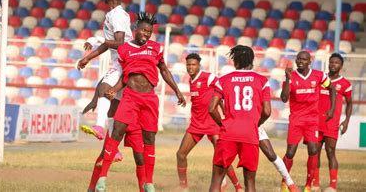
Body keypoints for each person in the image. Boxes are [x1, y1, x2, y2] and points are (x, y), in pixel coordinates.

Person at [95, 12, 186, 192]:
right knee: (117, 132)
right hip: (130, 97)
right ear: (136, 29)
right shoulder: (124, 49)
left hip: (149, 99)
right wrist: (114, 89)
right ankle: (102, 178)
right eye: (143, 30)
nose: (146, 34)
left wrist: (177, 90)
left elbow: (164, 70)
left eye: (149, 32)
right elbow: (123, 76)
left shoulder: (155, 48)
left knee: (149, 138)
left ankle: (148, 182)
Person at [176, 53, 244, 192]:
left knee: (223, 157)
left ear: (199, 65)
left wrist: (227, 115)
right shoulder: (191, 80)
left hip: (213, 124)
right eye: (188, 64)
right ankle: (183, 186)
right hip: (196, 124)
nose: (190, 67)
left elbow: (222, 93)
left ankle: (238, 186)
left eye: (193, 64)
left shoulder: (209, 77)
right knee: (180, 154)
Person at [208, 45, 271, 192]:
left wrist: (222, 123)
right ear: (252, 61)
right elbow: (267, 111)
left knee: (216, 180)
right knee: (250, 182)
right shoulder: (262, 80)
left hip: (228, 133)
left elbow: (211, 108)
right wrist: (256, 124)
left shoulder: (223, 80)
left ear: (235, 61)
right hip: (250, 134)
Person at [77, 0, 133, 141]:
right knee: (112, 108)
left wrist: (91, 54)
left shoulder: (117, 15)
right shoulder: (114, 14)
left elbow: (120, 42)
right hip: (122, 61)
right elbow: (111, 42)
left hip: (124, 61)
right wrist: (90, 54)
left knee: (104, 89)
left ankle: (99, 127)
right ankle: (113, 148)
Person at [280, 51, 336, 192]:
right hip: (296, 120)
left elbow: (332, 89)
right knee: (290, 152)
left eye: (304, 59)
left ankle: (308, 185)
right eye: (298, 59)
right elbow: (284, 98)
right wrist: (287, 79)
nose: (300, 61)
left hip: (312, 120)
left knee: (313, 150)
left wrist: (332, 109)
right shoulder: (291, 76)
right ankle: (284, 182)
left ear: (309, 62)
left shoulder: (319, 75)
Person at [312, 53, 353, 192]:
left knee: (330, 152)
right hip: (317, 122)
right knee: (315, 152)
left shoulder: (345, 84)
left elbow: (349, 104)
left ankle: (332, 186)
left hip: (331, 123)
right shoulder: (321, 79)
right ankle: (315, 184)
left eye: (336, 63)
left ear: (341, 66)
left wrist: (346, 121)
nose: (333, 65)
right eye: (331, 62)